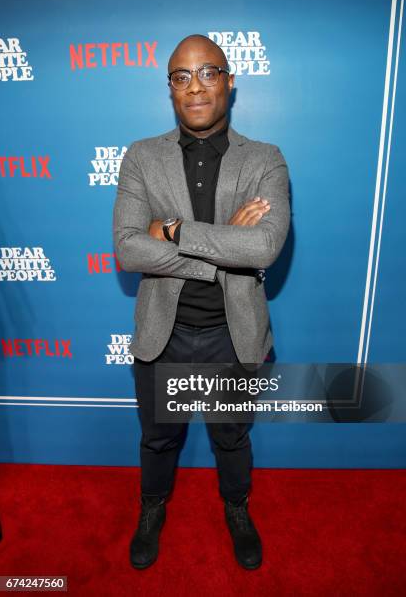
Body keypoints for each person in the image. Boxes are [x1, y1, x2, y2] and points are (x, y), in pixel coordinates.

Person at [113, 33, 290, 570]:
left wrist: (171, 230)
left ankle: (236, 508)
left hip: (232, 335)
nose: (195, 87)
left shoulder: (265, 159)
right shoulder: (142, 157)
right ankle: (152, 507)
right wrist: (219, 249)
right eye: (181, 76)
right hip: (161, 334)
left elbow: (263, 245)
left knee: (231, 438)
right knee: (158, 438)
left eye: (208, 73)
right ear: (170, 88)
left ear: (229, 82)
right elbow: (126, 248)